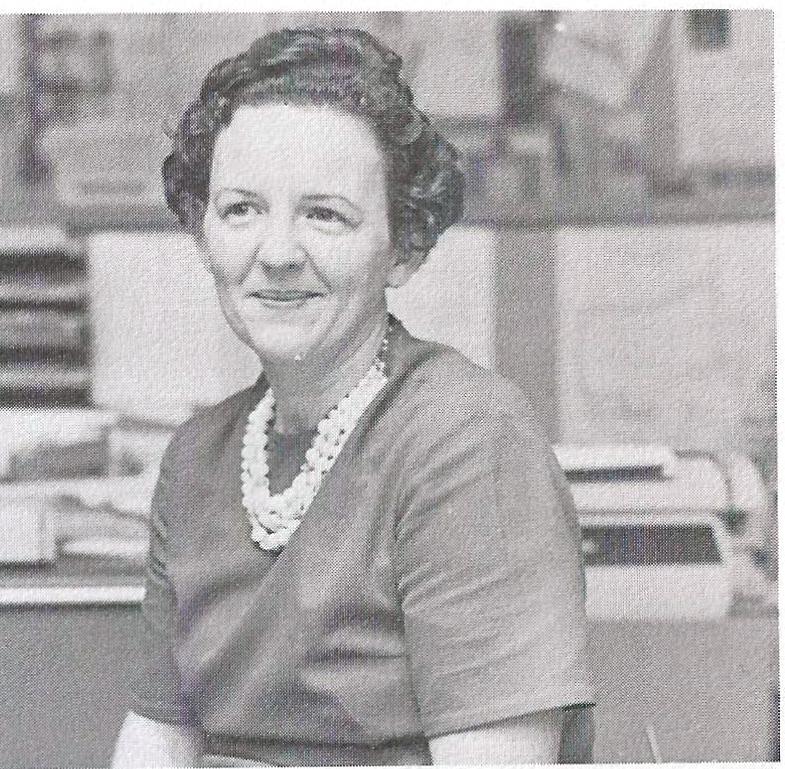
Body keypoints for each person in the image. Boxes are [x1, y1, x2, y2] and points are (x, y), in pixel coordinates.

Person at [112, 27, 594, 767]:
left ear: (403, 248)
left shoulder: (466, 443)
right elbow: (155, 744)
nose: (277, 253)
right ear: (201, 232)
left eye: (325, 214)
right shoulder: (196, 459)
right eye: (240, 209)